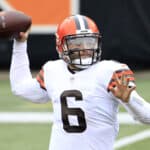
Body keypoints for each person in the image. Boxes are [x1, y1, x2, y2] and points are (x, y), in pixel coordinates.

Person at [10, 14, 150, 150]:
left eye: (89, 42)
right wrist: (20, 44)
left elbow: (147, 117)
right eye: (76, 44)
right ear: (61, 46)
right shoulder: (53, 70)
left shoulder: (111, 71)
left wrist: (128, 101)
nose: (84, 49)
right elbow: (20, 88)